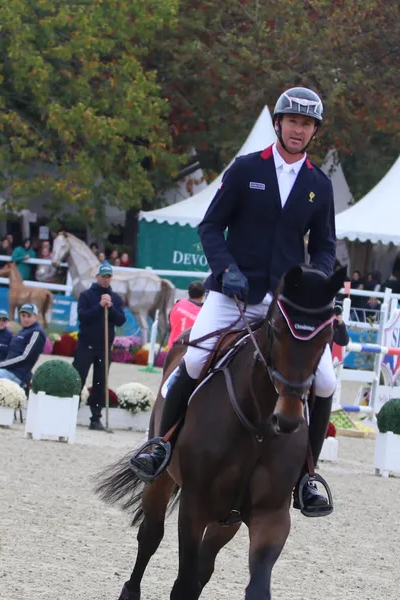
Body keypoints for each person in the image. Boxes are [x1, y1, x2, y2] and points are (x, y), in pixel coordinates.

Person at [128, 86, 338, 518]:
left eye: (307, 124)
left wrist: (314, 281)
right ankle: (161, 443)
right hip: (232, 294)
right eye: (293, 122)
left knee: (325, 382)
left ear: (314, 131)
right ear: (278, 124)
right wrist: (227, 270)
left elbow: (325, 248)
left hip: (285, 306)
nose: (299, 130)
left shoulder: (319, 185)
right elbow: (210, 227)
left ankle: (307, 476)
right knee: (191, 361)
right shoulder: (245, 170)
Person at [74, 261, 126, 430]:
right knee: (77, 379)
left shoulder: (116, 298)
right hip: (85, 346)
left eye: (108, 276)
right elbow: (83, 316)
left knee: (100, 383)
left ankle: (95, 418)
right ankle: (69, 411)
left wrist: (110, 307)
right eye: (103, 276)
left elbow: (120, 320)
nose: (105, 279)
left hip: (104, 348)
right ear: (97, 277)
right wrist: (99, 306)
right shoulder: (86, 295)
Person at [0, 303, 47, 387]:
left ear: (35, 316)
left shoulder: (36, 332)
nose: (25, 319)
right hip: (8, 371)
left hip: (15, 374)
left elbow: (25, 357)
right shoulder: (23, 331)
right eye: (23, 315)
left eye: (29, 316)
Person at [166, 280, 206, 348]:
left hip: (172, 349)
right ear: (203, 295)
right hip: (189, 351)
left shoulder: (178, 304)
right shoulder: (203, 314)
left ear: (188, 292)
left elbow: (170, 323)